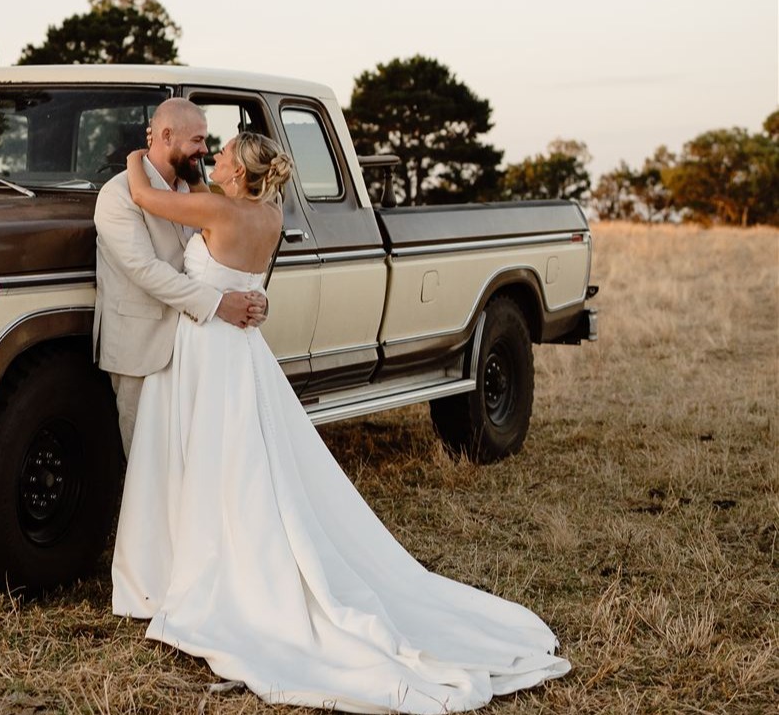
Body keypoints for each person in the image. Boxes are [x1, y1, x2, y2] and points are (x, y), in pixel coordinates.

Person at [112, 131, 571, 713]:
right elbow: (247, 279)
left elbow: (144, 195)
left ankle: (209, 569)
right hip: (243, 350)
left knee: (213, 460)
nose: (213, 156)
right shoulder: (268, 215)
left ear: (238, 172)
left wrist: (142, 147)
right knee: (248, 461)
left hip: (209, 347)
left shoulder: (213, 208)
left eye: (222, 152)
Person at [93, 98, 267, 457]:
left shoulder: (197, 192)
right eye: (198, 140)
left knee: (193, 455)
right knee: (147, 459)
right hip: (143, 346)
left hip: (196, 347)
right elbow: (144, 269)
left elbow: (225, 257)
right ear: (167, 135)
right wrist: (220, 304)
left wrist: (254, 296)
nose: (205, 150)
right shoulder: (117, 194)